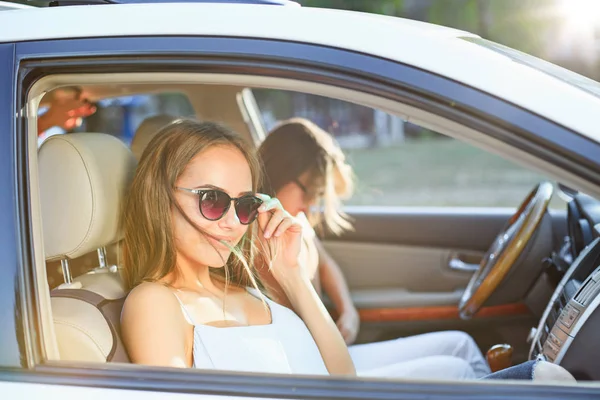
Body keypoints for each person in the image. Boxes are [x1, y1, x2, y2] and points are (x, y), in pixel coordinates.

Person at [120, 117, 574, 382]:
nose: (232, 223)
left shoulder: (239, 286)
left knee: (545, 380)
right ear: (160, 195)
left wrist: (293, 277)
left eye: (244, 205)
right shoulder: (156, 303)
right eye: (212, 200)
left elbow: (343, 381)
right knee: (546, 380)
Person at [257, 117, 492, 378]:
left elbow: (326, 264)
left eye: (318, 194)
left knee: (462, 344)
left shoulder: (295, 221)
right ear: (281, 171)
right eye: (309, 191)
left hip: (328, 351)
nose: (312, 204)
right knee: (456, 372)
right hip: (311, 368)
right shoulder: (263, 235)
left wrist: (348, 310)